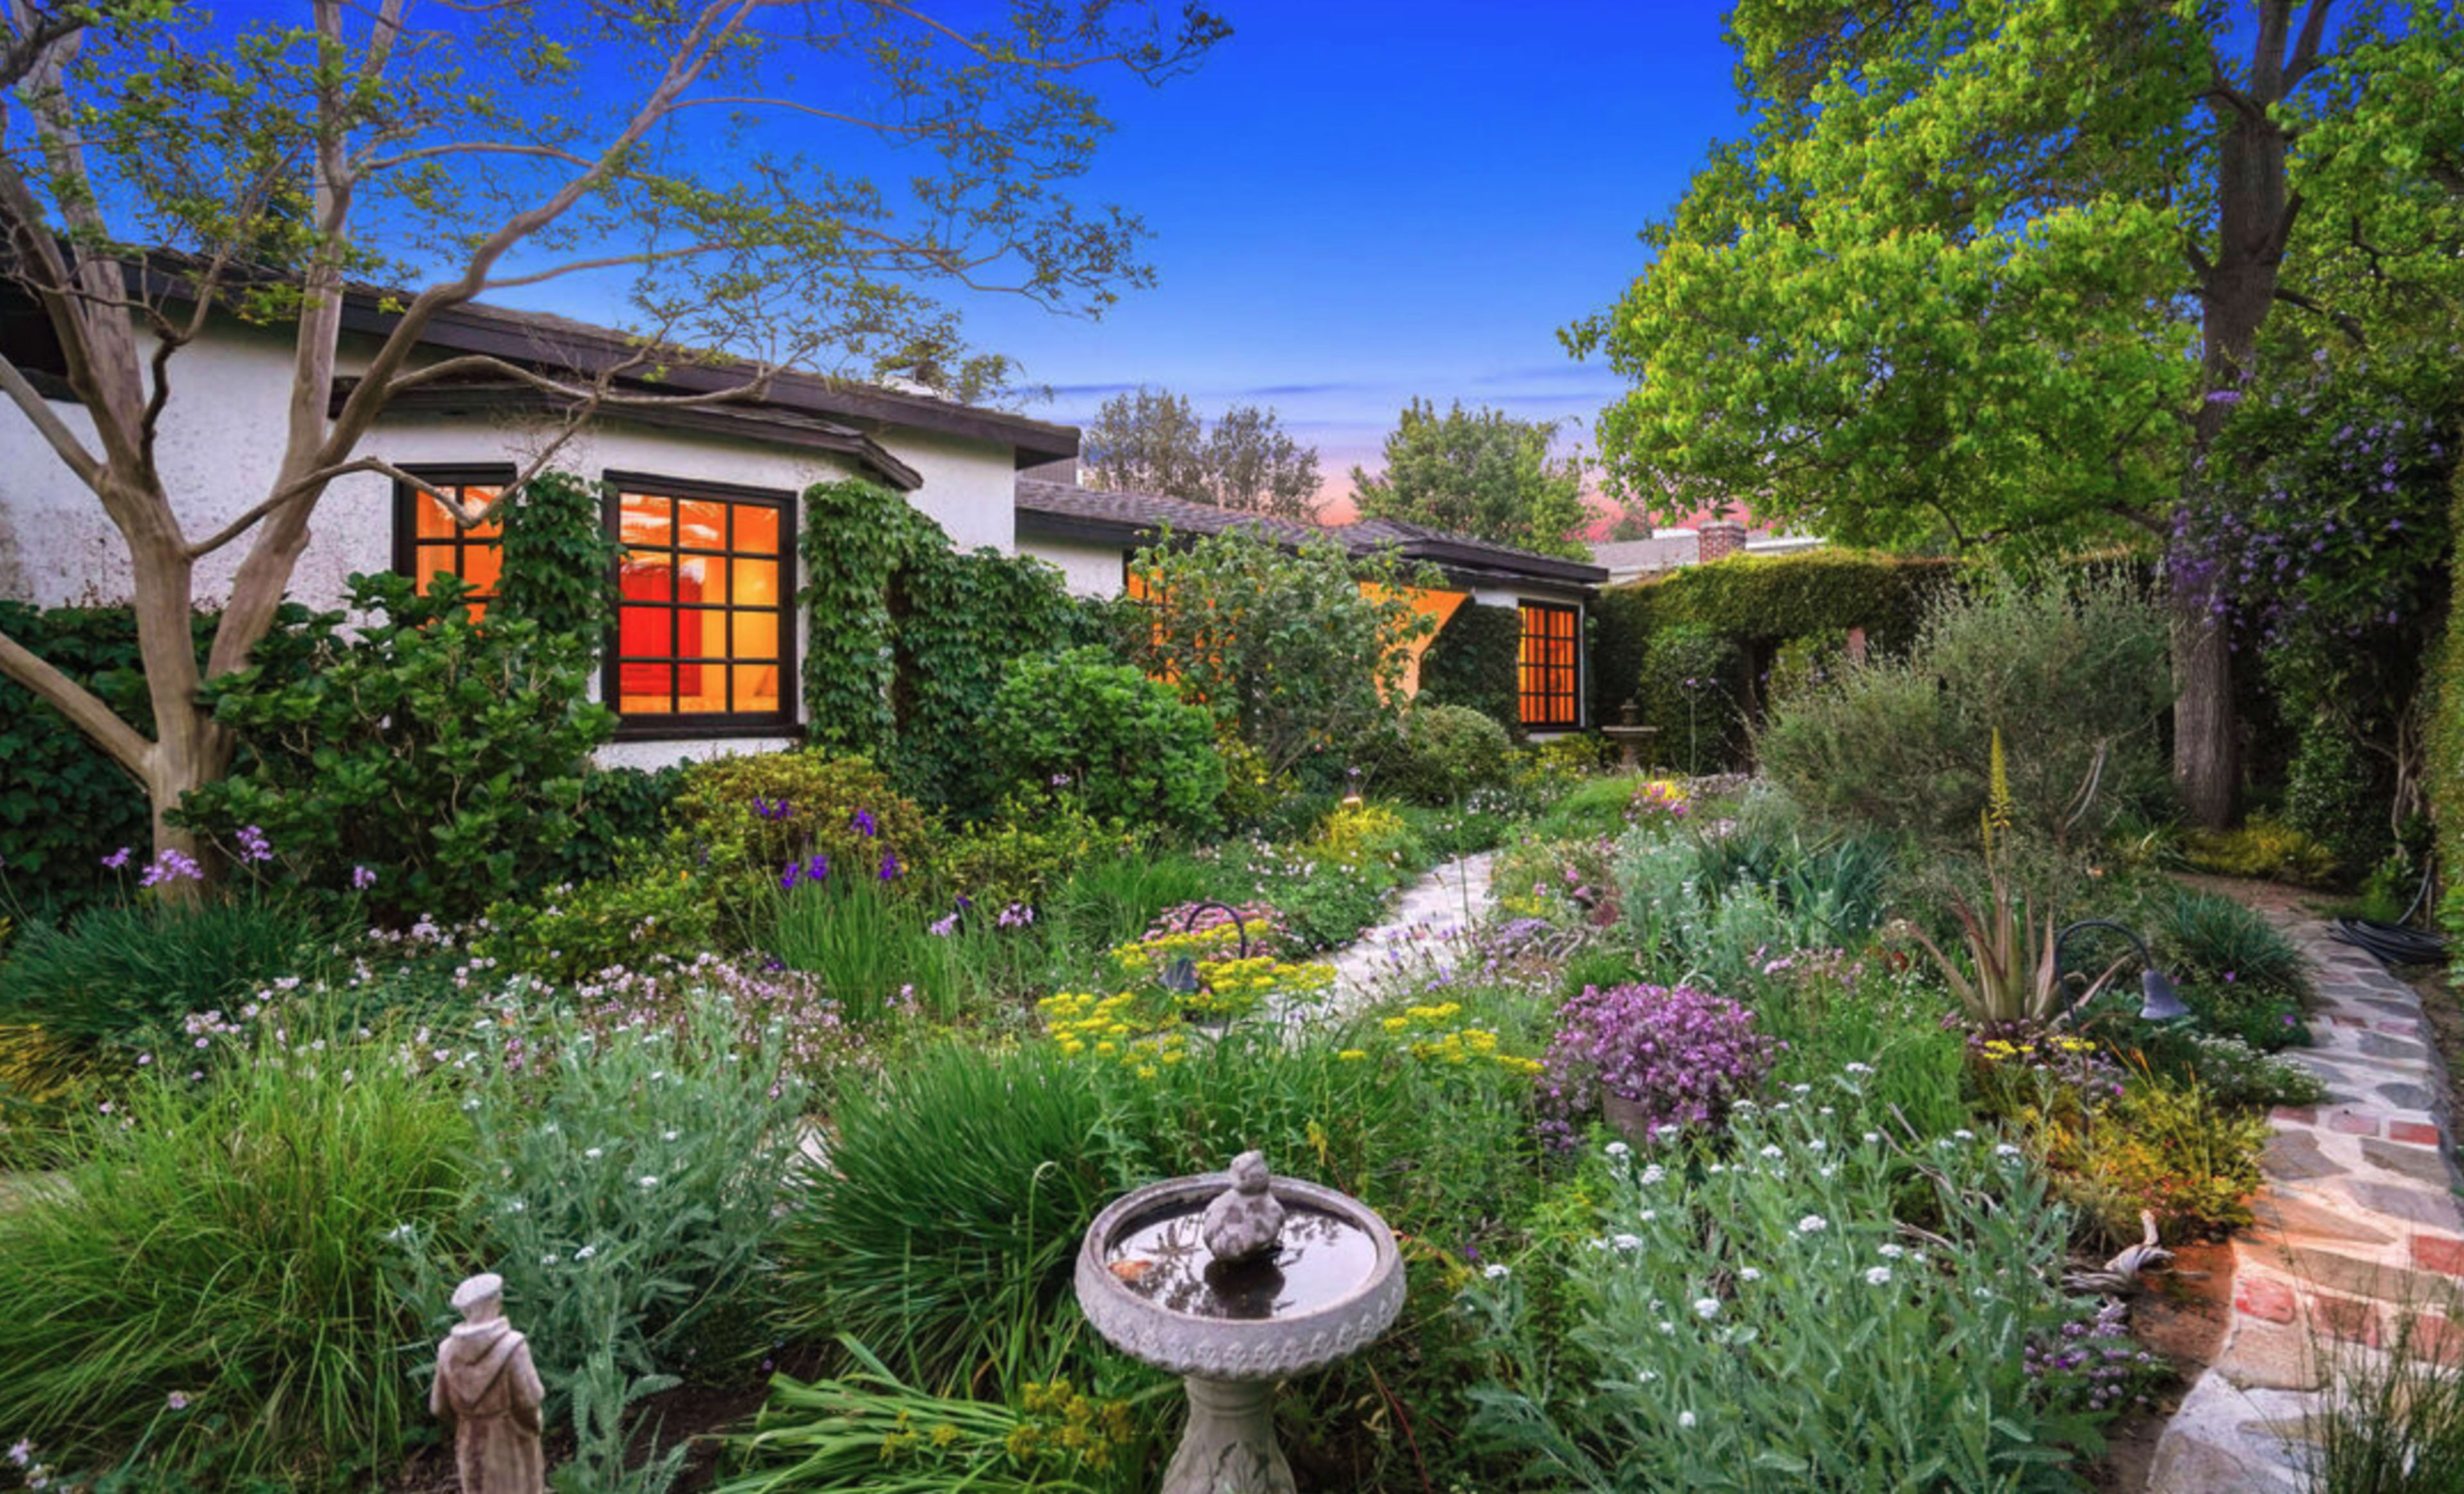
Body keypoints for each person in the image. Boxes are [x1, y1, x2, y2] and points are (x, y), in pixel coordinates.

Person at [430, 1273, 547, 1494]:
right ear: (492, 1303)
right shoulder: (513, 1346)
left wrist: (464, 1421)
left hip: (469, 1440)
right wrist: (534, 1426)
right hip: (510, 1438)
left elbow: (438, 1407)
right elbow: (530, 1400)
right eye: (497, 1297)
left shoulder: (447, 1351)